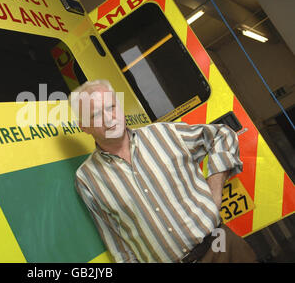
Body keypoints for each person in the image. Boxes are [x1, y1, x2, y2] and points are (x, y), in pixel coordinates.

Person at [69, 79, 257, 263]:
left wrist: (215, 189)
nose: (109, 118)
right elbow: (116, 242)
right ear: (83, 126)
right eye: (96, 115)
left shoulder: (165, 134)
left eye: (111, 107)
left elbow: (222, 135)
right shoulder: (87, 179)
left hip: (222, 249)